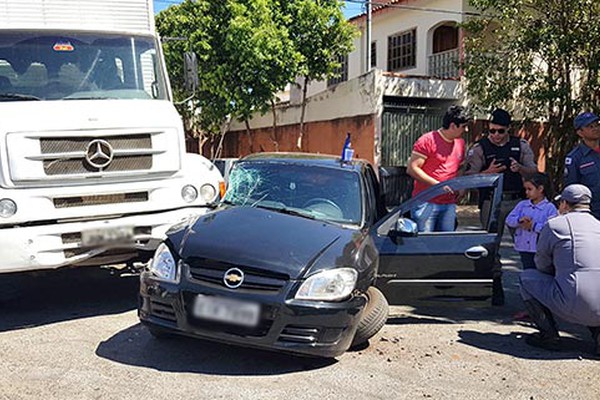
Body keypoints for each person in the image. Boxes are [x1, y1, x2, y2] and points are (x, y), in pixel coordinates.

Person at [465, 108, 538, 306]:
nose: (495, 135)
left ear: (508, 130)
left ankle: (533, 289)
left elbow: (534, 171)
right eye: (492, 131)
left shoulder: (520, 145)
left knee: (527, 244)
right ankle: (495, 287)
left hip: (517, 201)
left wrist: (520, 169)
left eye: (500, 131)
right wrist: (487, 173)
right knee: (491, 246)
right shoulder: (480, 147)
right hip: (491, 201)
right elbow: (468, 177)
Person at [519, 184, 600, 354]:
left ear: (564, 204)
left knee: (527, 278)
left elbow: (541, 264)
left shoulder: (555, 225)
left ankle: (549, 336)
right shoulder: (598, 225)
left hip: (573, 303)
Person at [407, 105, 470, 232]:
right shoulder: (427, 140)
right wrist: (438, 185)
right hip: (426, 202)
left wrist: (461, 187)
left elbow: (460, 168)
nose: (466, 130)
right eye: (464, 126)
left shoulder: (460, 143)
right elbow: (412, 168)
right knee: (424, 244)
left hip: (449, 203)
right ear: (453, 125)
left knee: (446, 245)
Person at [505, 173, 557, 270]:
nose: (526, 192)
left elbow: (550, 229)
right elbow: (509, 220)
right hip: (523, 246)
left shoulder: (549, 208)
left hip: (539, 249)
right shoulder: (522, 205)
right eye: (525, 189)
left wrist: (533, 226)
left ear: (540, 189)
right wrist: (519, 220)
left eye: (530, 189)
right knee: (527, 270)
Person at [564, 111, 600, 220]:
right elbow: (572, 189)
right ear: (580, 132)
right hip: (593, 214)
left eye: (597, 124)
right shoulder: (575, 158)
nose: (596, 128)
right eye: (590, 126)